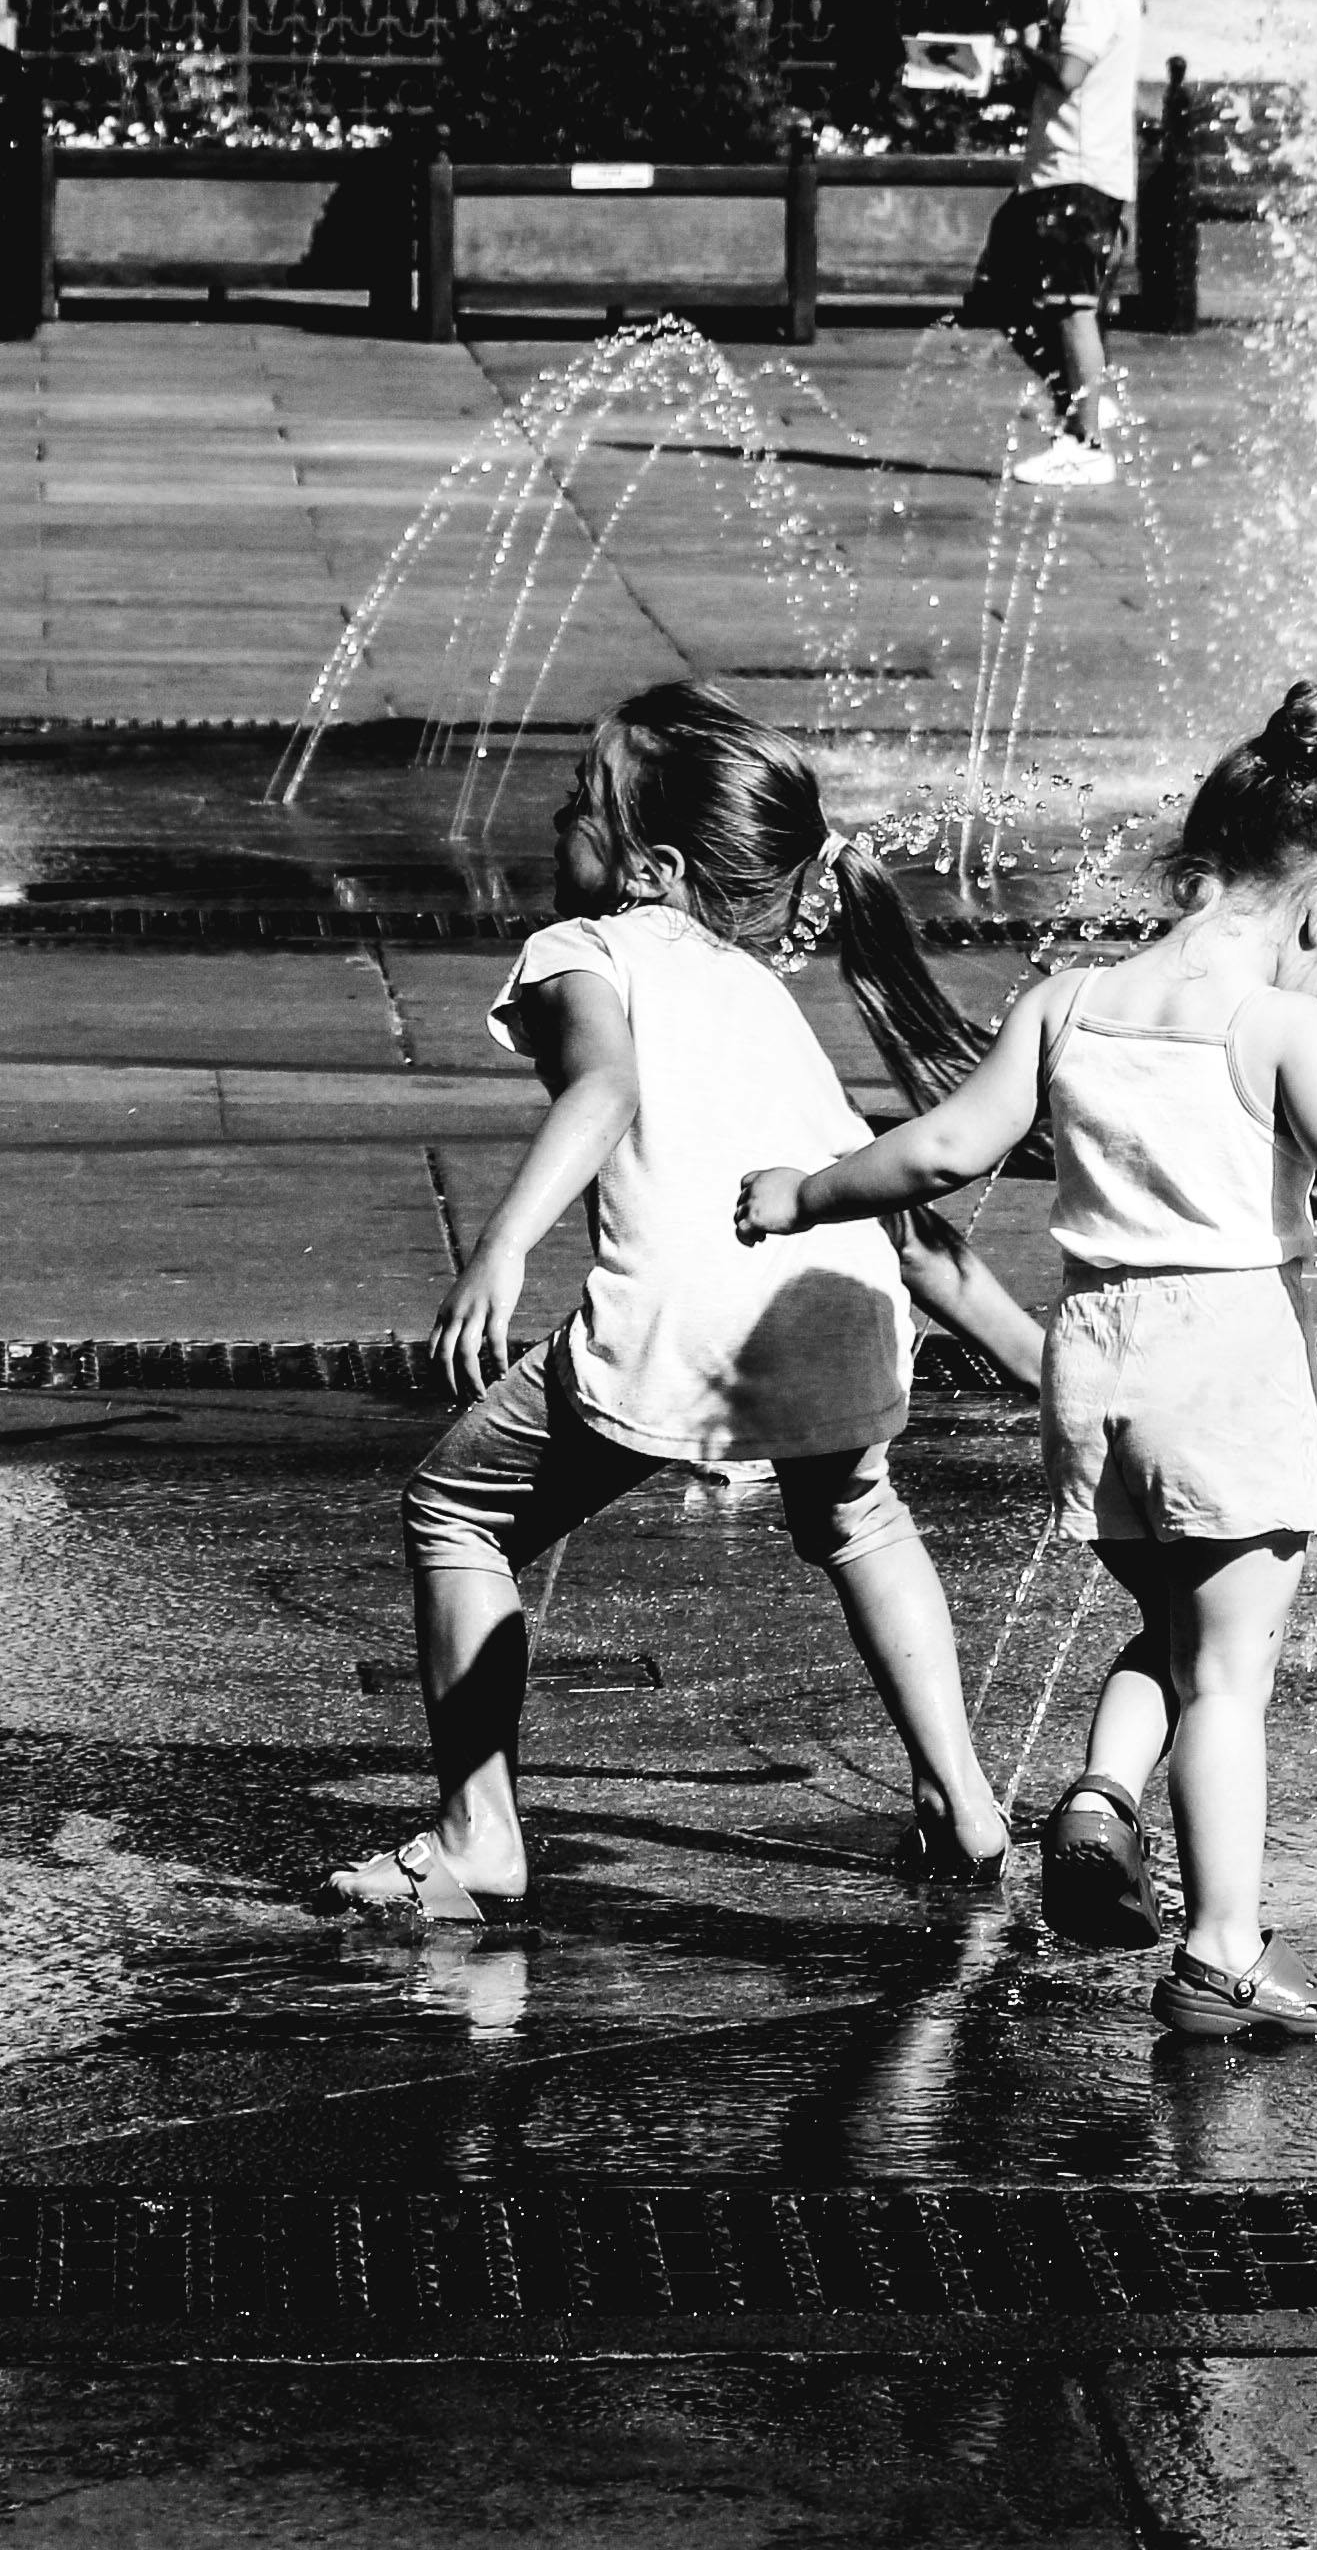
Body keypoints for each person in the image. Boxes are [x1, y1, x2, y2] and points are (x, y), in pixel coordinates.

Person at [748, 677, 1317, 2041]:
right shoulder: (1287, 1029)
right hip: (1224, 1363)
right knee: (1232, 1678)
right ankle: (1225, 1955)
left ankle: (1103, 1800)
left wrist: (805, 1193)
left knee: (1174, 1634)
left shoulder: (1069, 1002)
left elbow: (941, 1150)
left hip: (1092, 1362)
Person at [380, 683, 1050, 1921]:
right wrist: (1044, 1360)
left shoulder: (583, 949)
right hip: (838, 1303)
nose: (556, 816)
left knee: (455, 1516)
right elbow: (897, 1220)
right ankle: (965, 1801)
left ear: (653, 865)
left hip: (690, 1320)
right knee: (862, 1517)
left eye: (582, 804)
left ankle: (478, 1839)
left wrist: (502, 1244)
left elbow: (602, 1091)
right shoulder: (762, 996)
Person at [977, 0, 1151, 486]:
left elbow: (1071, 74)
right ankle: (1081, 397)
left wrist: (1027, 45)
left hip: (1077, 175)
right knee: (999, 293)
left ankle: (1085, 441)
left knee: (1071, 306)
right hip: (1052, 175)